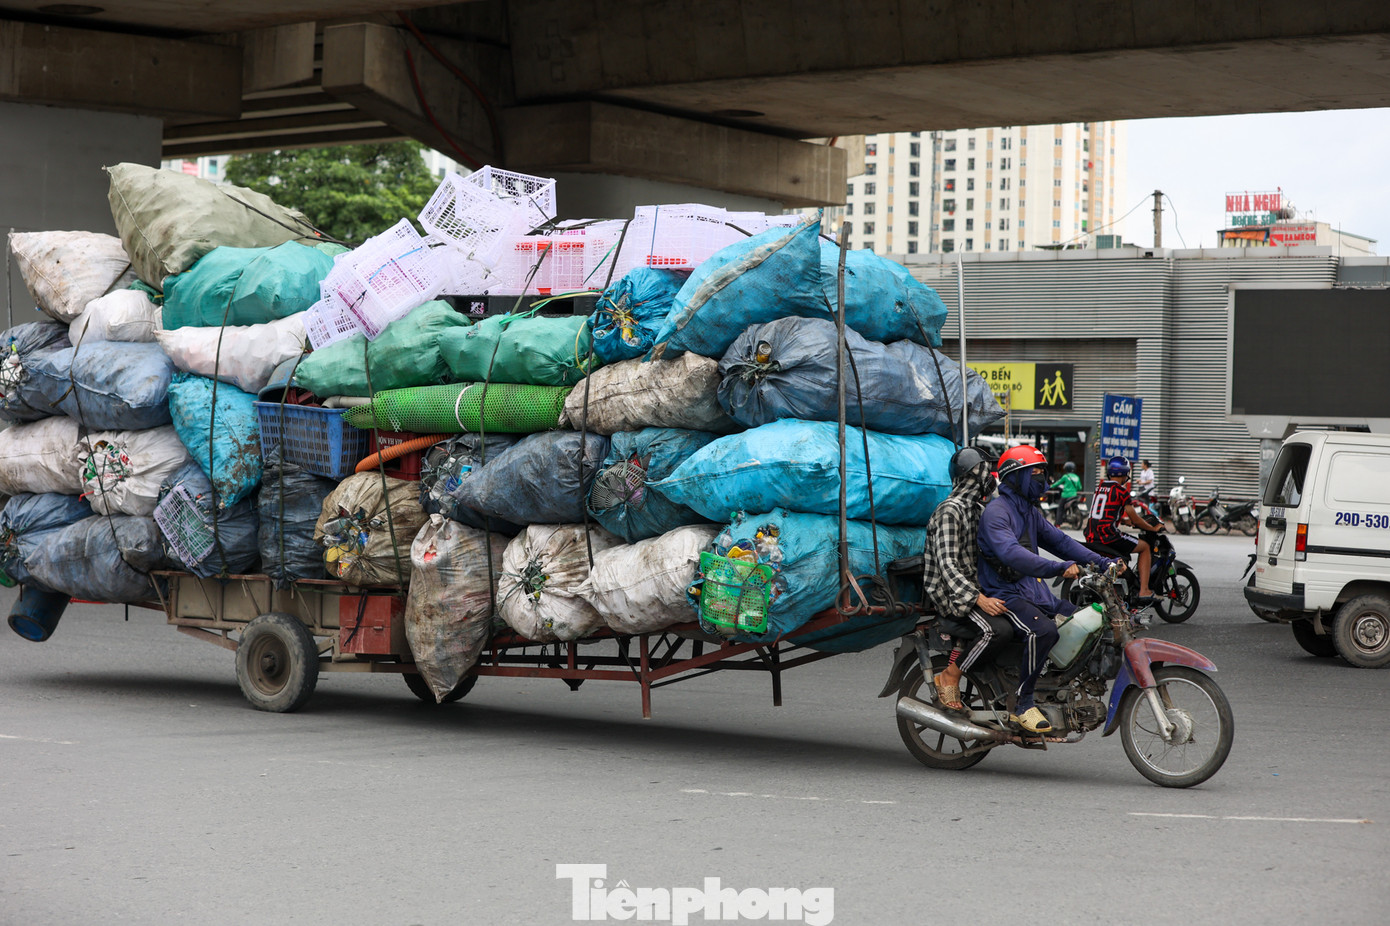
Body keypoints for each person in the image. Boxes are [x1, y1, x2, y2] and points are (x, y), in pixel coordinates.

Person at [978, 445, 1120, 734]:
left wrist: (1104, 562)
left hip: (1033, 591)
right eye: (1036, 472)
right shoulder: (997, 512)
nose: (1042, 479)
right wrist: (1057, 567)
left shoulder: (1029, 511)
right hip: (1006, 593)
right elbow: (1011, 553)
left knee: (1082, 620)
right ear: (1015, 477)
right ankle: (1022, 704)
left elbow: (1061, 542)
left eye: (1043, 472)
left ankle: (1053, 685)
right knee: (1043, 631)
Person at [922, 445, 1012, 714]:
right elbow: (947, 565)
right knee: (999, 630)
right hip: (953, 597)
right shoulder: (950, 510)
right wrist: (979, 599)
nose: (992, 477)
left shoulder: (977, 509)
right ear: (973, 474)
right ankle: (951, 674)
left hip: (973, 590)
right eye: (987, 471)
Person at [1085, 457, 1164, 600]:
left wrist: (1124, 520)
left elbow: (1105, 512)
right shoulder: (1121, 492)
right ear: (1125, 473)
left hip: (1091, 535)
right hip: (1108, 536)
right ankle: (1144, 590)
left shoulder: (1100, 488)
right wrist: (1152, 528)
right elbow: (1136, 519)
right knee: (1145, 547)